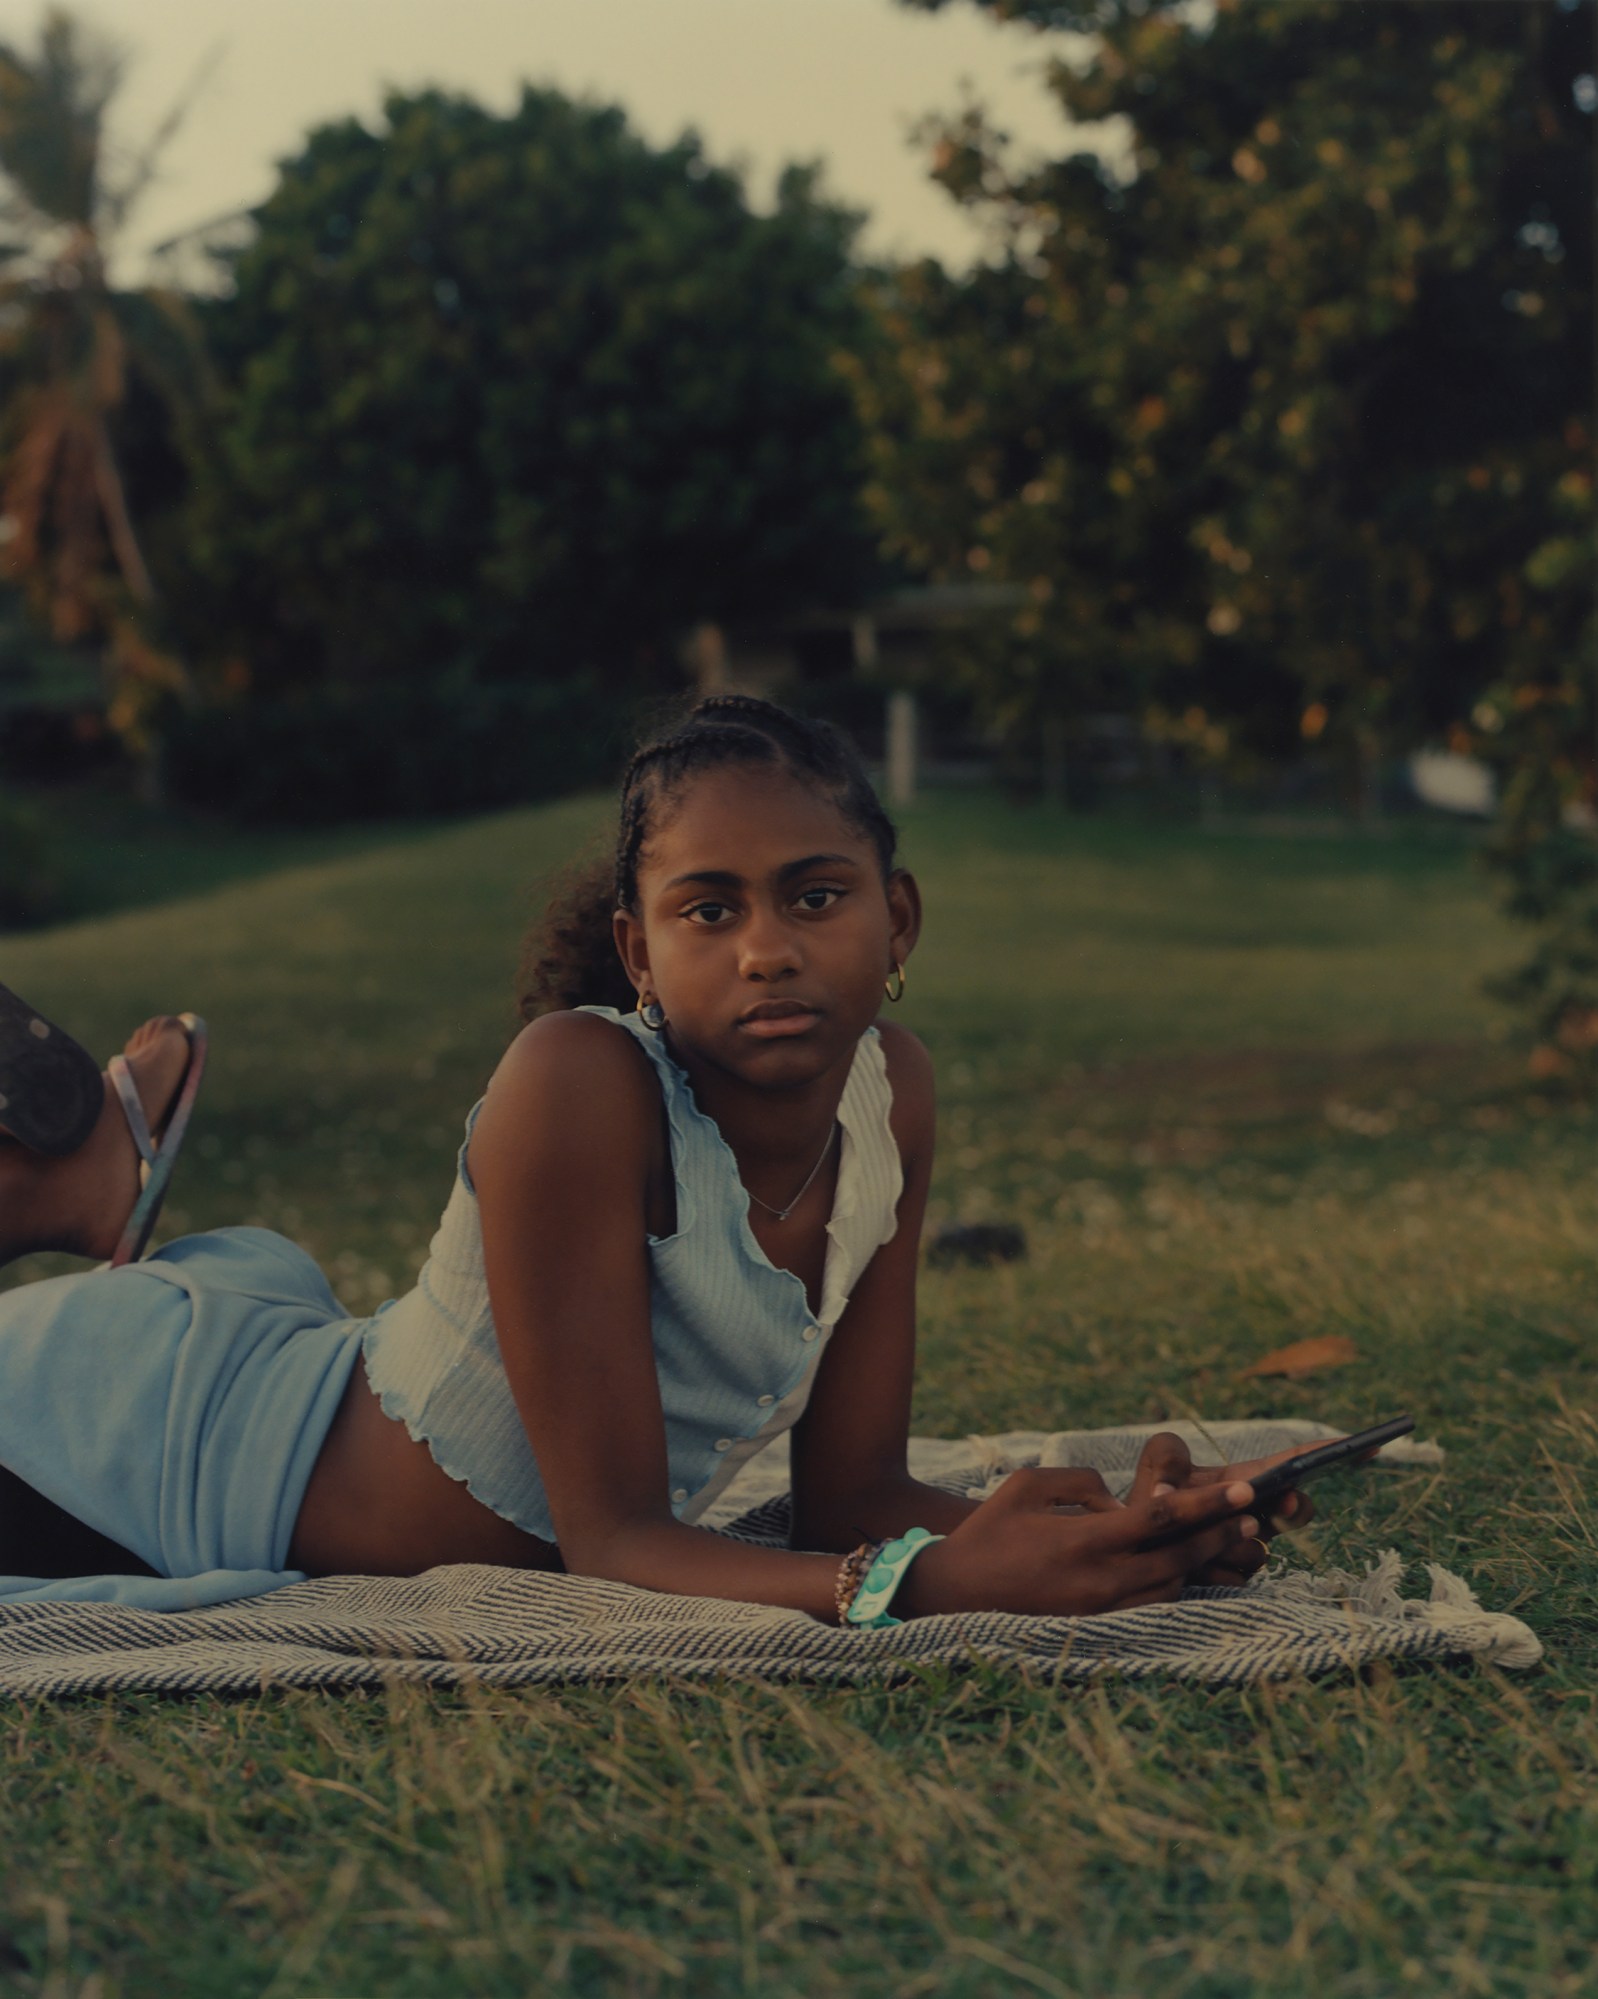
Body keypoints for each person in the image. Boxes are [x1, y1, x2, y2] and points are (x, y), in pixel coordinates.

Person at [0, 696, 1311, 1616]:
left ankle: (72, 1181)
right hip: (114, 1452)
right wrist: (925, 1583)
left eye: (814, 895)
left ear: (894, 918)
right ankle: (63, 1177)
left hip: (241, 1387)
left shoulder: (891, 1096)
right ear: (637, 952)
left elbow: (847, 1493)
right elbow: (614, 1542)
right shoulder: (579, 1083)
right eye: (707, 909)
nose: (765, 947)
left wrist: (1114, 1536)